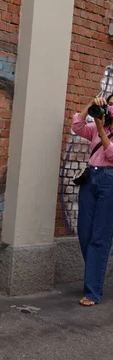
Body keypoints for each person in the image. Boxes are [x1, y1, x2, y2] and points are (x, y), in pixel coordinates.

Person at [72, 95, 113, 306]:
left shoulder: (101, 129)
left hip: (109, 181)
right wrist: (90, 105)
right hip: (91, 180)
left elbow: (111, 154)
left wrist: (99, 128)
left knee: (100, 237)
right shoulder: (99, 124)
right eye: (110, 103)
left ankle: (92, 292)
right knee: (85, 232)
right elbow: (77, 126)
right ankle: (94, 274)